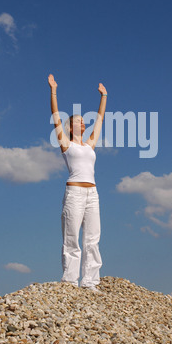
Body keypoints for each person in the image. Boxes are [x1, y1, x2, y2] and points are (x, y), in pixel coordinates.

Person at [48, 73, 107, 291]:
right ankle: (70, 281)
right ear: (71, 127)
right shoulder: (66, 144)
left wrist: (104, 97)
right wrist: (53, 91)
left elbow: (100, 120)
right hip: (74, 193)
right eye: (78, 121)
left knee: (92, 239)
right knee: (71, 238)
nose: (83, 123)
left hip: (93, 194)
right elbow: (55, 115)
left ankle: (90, 282)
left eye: (83, 121)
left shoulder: (89, 145)